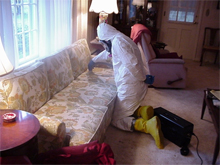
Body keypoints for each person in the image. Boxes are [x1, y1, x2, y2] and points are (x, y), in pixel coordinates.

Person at [88, 23, 164, 149]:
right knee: (125, 108)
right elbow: (109, 53)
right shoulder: (120, 38)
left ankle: (148, 126)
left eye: (103, 43)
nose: (104, 46)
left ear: (106, 39)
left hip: (130, 84)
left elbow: (132, 64)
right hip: (133, 83)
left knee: (116, 118)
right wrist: (94, 60)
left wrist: (143, 78)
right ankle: (142, 110)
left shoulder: (118, 43)